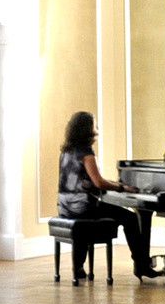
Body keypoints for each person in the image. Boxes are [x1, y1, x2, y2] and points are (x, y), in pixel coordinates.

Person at [57, 110, 158, 282]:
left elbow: (86, 180)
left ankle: (79, 266)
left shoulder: (66, 151)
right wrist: (122, 188)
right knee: (131, 218)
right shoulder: (86, 151)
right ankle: (141, 264)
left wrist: (117, 185)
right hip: (83, 207)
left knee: (87, 223)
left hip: (65, 207)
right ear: (87, 129)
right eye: (94, 125)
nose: (97, 128)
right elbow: (98, 183)